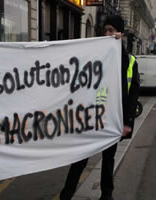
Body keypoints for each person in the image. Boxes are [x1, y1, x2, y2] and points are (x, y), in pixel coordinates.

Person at [60, 15, 140, 200]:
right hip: (91, 117)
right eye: (105, 30)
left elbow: (133, 95)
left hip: (113, 119)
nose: (107, 34)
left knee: (108, 160)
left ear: (120, 33)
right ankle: (66, 194)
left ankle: (106, 195)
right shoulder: (95, 56)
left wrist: (127, 122)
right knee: (80, 159)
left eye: (112, 30)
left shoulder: (129, 61)